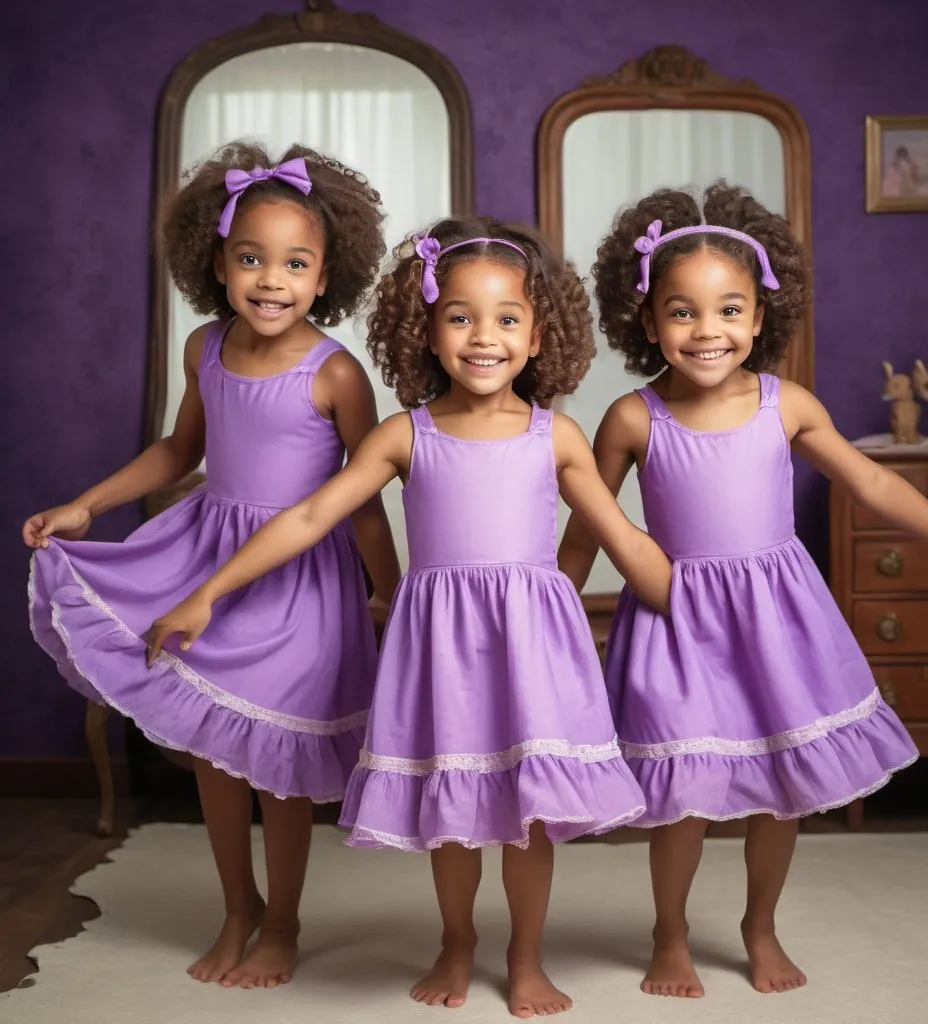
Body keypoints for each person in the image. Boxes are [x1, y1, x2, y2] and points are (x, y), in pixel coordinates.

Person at [145, 217, 674, 1018]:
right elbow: (310, 516)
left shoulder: (555, 436)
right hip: (443, 652)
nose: (483, 337)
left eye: (506, 319)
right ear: (423, 329)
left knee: (528, 819)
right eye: (459, 316)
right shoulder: (404, 435)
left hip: (532, 647)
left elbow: (618, 533)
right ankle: (456, 940)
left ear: (539, 336)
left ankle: (525, 955)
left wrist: (685, 594)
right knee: (454, 810)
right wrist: (209, 592)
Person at [558, 181, 928, 999]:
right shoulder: (632, 418)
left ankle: (759, 924)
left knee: (783, 786)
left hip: (777, 619)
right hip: (677, 620)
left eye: (729, 309)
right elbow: (590, 528)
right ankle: (670, 932)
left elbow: (872, 483)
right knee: (684, 789)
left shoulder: (787, 406)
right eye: (683, 311)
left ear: (761, 317)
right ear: (648, 318)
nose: (708, 331)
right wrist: (547, 614)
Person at [24, 142, 400, 989]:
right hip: (206, 556)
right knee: (217, 755)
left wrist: (389, 592)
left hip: (301, 579)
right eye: (251, 259)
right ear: (217, 262)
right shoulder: (205, 348)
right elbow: (178, 449)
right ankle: (240, 907)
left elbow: (362, 499)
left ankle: (286, 922)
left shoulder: (336, 373)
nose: (272, 280)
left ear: (326, 271)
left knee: (281, 768)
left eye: (294, 263)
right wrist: (88, 505)